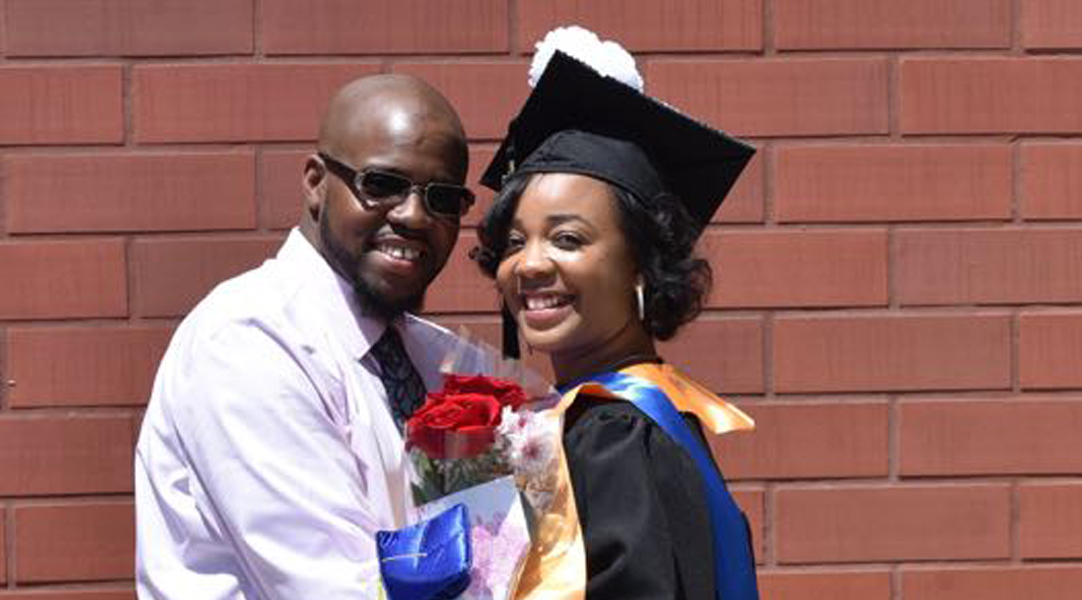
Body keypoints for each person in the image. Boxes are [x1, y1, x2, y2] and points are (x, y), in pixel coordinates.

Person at [134, 73, 484, 599]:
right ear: (316, 182)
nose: (414, 215)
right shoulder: (248, 344)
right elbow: (334, 589)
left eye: (442, 198)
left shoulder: (440, 359)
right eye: (382, 184)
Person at [470, 28, 761, 600]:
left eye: (567, 239)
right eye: (513, 241)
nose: (528, 265)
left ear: (641, 267)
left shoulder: (611, 429)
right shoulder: (663, 409)